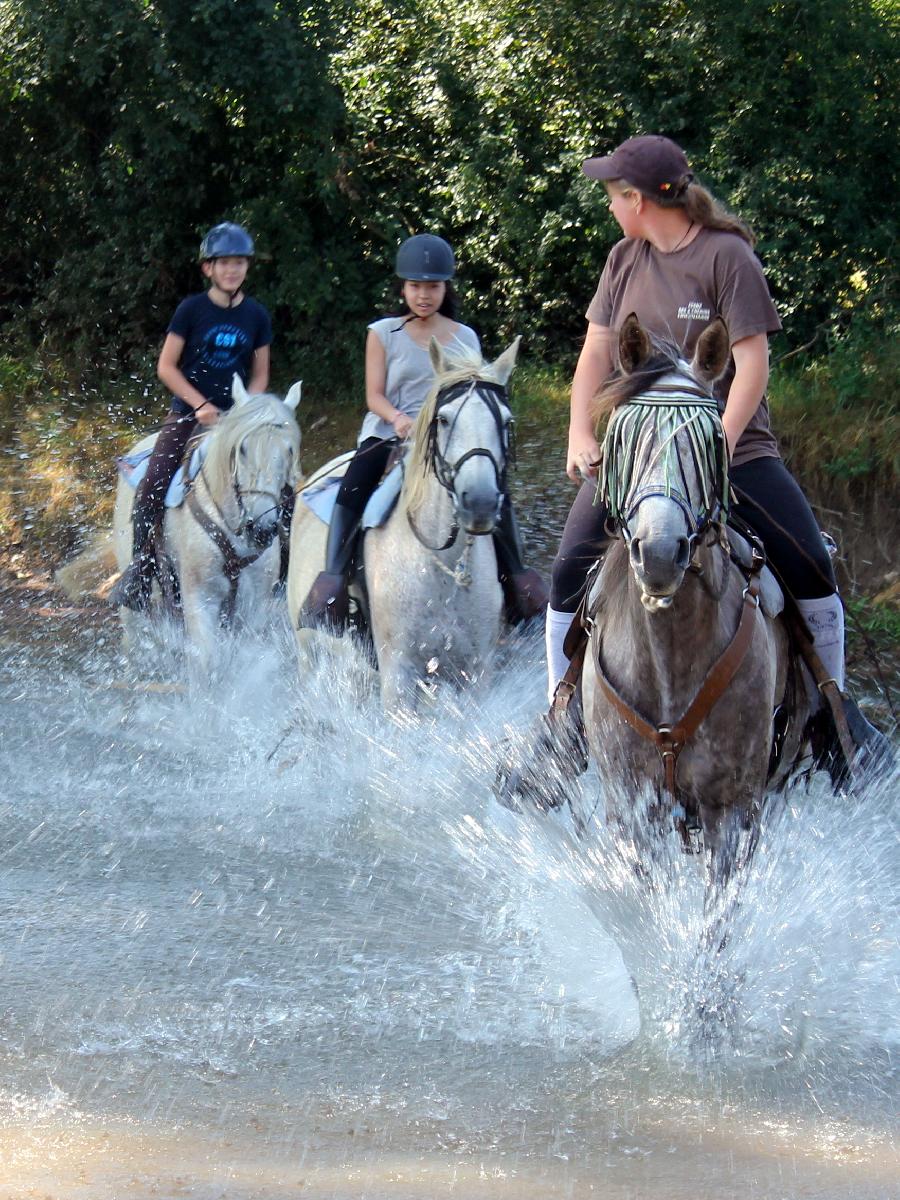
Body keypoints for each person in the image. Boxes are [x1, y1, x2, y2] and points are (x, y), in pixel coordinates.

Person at [540, 134, 889, 790]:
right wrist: (578, 432)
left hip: (733, 450)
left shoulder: (728, 257)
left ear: (637, 200)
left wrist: (719, 441)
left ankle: (832, 719)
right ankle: (560, 719)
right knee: (565, 573)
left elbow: (751, 362)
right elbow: (595, 353)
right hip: (637, 453)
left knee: (812, 564)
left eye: (615, 196)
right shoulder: (623, 259)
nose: (611, 207)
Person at [302, 233, 548, 628]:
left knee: (493, 492)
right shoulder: (382, 333)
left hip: (448, 435)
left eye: (432, 287)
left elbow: (472, 388)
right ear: (403, 288)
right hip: (390, 433)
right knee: (352, 489)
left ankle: (517, 584)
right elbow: (374, 395)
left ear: (444, 288)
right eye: (415, 286)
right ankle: (333, 581)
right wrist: (400, 420)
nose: (423, 295)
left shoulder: (464, 336)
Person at [109, 222, 273, 611]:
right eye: (224, 263)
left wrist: (247, 409)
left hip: (238, 420)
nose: (232, 270)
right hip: (187, 415)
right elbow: (166, 367)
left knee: (278, 487)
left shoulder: (256, 315)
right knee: (153, 483)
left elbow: (262, 373)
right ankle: (142, 569)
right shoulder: (191, 310)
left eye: (239, 263)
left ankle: (277, 577)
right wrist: (199, 405)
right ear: (208, 269)